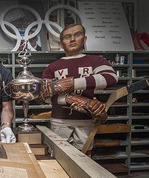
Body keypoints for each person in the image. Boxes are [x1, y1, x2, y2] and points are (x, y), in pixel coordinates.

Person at [38, 24, 118, 153]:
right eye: (67, 37)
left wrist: (74, 83)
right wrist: (72, 99)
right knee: (58, 156)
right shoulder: (52, 67)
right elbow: (44, 96)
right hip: (59, 121)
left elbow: (110, 78)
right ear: (61, 43)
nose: (72, 39)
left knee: (85, 158)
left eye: (77, 35)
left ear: (84, 39)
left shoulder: (96, 61)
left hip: (86, 120)